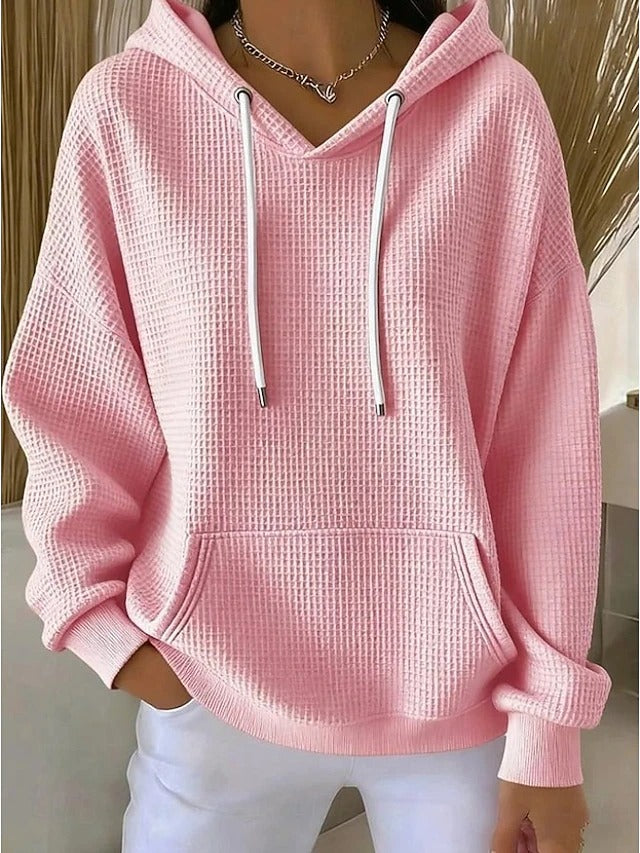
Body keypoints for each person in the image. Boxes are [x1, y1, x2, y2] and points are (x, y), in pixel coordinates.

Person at [1, 0, 613, 850]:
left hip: (460, 698)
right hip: (210, 694)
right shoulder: (129, 107)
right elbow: (77, 396)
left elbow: (545, 443)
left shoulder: (496, 108)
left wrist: (549, 730)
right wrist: (104, 626)